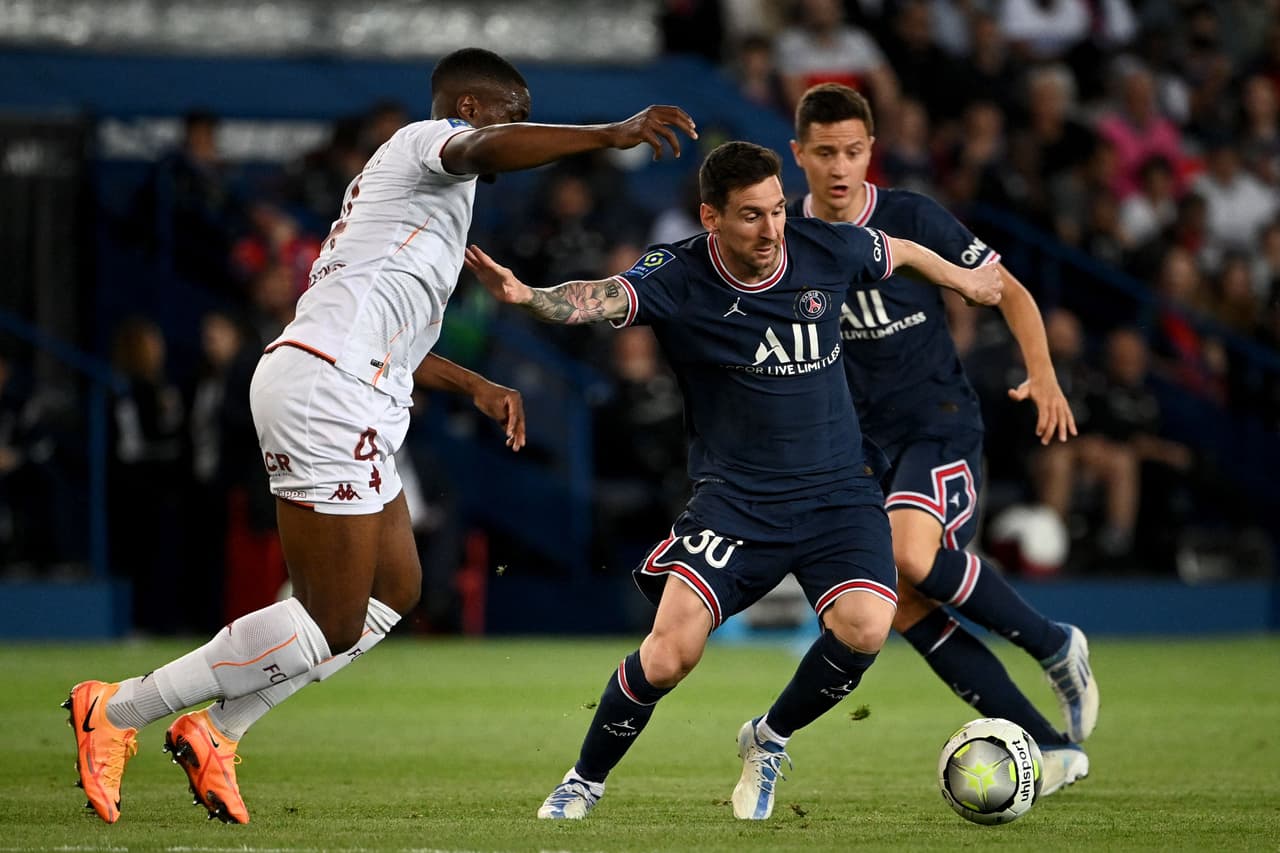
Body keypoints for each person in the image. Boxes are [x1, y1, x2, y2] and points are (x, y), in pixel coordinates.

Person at [64, 46, 698, 825]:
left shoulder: (430, 206)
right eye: (514, 110)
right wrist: (612, 132)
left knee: (396, 591)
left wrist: (475, 383)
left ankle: (217, 727)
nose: (521, 125)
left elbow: (393, 337)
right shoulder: (425, 142)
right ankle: (118, 708)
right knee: (329, 616)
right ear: (466, 108)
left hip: (351, 389)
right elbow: (485, 144)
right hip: (325, 390)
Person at [465, 140, 1004, 821]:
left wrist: (962, 279)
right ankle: (584, 778)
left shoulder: (824, 246)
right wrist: (529, 297)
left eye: (778, 210)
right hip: (736, 503)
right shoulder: (679, 275)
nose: (773, 229)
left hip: (838, 492)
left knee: (867, 626)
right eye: (752, 216)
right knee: (668, 656)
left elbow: (899, 251)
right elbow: (601, 299)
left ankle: (769, 738)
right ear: (710, 216)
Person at [786, 83, 1097, 793]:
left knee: (907, 553)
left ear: (873, 151)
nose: (840, 167)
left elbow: (1006, 290)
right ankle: (1049, 745)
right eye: (825, 153)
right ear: (799, 154)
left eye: (854, 152)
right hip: (857, 447)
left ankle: (1052, 643)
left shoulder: (911, 216)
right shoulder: (788, 237)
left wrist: (1043, 375)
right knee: (894, 598)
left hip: (937, 420)